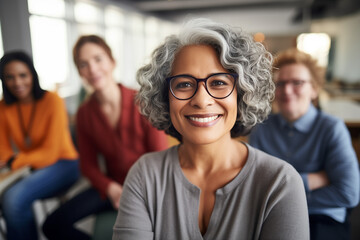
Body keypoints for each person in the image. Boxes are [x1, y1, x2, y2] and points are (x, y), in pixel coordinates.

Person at [112, 18, 309, 240]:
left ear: (243, 94)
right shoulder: (145, 176)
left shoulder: (280, 183)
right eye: (184, 84)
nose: (202, 100)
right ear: (165, 98)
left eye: (219, 82)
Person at [42, 35, 169, 240]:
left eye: (98, 59)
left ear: (112, 61)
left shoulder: (143, 102)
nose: (92, 69)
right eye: (84, 64)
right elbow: (88, 166)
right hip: (113, 188)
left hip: (149, 187)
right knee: (52, 224)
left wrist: (137, 193)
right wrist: (109, 188)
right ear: (80, 71)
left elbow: (161, 158)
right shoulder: (84, 113)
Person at [249, 48, 359, 240]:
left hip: (322, 217)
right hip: (272, 217)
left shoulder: (332, 128)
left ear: (314, 89)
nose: (287, 90)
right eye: (280, 83)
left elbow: (348, 194)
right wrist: (313, 180)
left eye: (297, 83)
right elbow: (255, 187)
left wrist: (283, 194)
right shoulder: (261, 128)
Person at [0, 51, 80, 240]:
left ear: (32, 75)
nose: (17, 83)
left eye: (23, 75)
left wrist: (16, 161)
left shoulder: (52, 100)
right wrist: (13, 161)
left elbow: (51, 153)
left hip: (65, 164)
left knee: (12, 200)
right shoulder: (3, 107)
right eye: (9, 77)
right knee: (10, 199)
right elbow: (3, 150)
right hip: (31, 167)